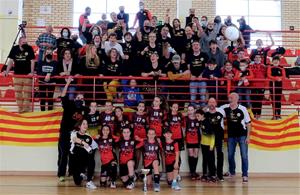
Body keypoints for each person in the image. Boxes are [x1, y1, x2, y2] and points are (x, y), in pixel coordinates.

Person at [57, 77, 89, 182]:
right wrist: (67, 83)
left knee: (73, 154)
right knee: (64, 154)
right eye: (78, 98)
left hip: (75, 135)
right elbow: (63, 95)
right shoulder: (69, 105)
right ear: (75, 98)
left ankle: (72, 172)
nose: (80, 100)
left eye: (81, 98)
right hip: (65, 133)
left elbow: (94, 109)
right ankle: (61, 174)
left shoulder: (83, 109)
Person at [220, 92, 251, 183]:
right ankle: (232, 172)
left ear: (237, 99)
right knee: (230, 155)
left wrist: (248, 137)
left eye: (232, 97)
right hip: (231, 136)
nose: (230, 98)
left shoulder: (243, 109)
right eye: (229, 97)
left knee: (244, 156)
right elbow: (215, 110)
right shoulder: (225, 108)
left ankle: (245, 175)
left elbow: (248, 124)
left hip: (242, 135)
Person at [2, 37, 35, 113]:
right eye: (24, 43)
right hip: (17, 75)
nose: (25, 44)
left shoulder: (29, 48)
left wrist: (32, 72)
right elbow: (10, 61)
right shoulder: (14, 48)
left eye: (26, 43)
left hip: (27, 76)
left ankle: (25, 111)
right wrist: (7, 71)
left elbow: (32, 61)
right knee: (18, 95)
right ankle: (20, 110)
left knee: (27, 95)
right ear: (19, 42)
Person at [70, 119, 97, 189]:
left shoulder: (88, 136)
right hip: (75, 159)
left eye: (86, 124)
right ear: (79, 126)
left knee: (91, 160)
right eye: (83, 124)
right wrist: (83, 143)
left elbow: (95, 146)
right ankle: (81, 174)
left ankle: (89, 181)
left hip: (84, 159)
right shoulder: (74, 133)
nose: (86, 125)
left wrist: (90, 152)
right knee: (77, 182)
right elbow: (74, 139)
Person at [206, 97, 225, 181]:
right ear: (208, 104)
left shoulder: (220, 113)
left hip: (219, 137)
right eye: (210, 102)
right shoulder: (205, 114)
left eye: (213, 102)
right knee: (210, 155)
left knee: (219, 155)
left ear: (216, 104)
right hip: (209, 138)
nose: (212, 104)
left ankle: (220, 174)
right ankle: (212, 174)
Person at [196, 109, 217, 183]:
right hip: (203, 144)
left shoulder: (208, 122)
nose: (197, 117)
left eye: (198, 116)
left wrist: (212, 145)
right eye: (196, 116)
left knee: (211, 160)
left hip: (209, 145)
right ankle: (205, 174)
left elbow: (213, 134)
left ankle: (213, 176)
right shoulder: (200, 122)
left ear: (202, 115)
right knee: (205, 160)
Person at [187, 40, 209, 107]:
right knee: (192, 97)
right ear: (192, 47)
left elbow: (206, 67)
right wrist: (191, 75)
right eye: (194, 45)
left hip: (202, 80)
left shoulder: (204, 55)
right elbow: (188, 68)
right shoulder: (189, 56)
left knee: (203, 97)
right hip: (193, 80)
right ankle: (193, 110)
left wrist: (201, 75)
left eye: (197, 45)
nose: (196, 46)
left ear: (200, 46)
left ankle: (203, 111)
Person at [184, 104, 201, 180]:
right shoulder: (186, 119)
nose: (190, 111)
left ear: (194, 110)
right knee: (191, 154)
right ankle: (192, 172)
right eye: (189, 110)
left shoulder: (198, 118)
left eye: (191, 110)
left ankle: (194, 171)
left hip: (197, 139)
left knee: (196, 154)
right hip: (189, 139)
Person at [131, 101, 148, 172]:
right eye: (140, 106)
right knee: (137, 156)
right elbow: (130, 126)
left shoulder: (146, 116)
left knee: (146, 156)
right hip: (136, 139)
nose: (141, 108)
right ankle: (135, 171)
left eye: (142, 106)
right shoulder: (133, 115)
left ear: (144, 108)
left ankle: (145, 173)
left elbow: (148, 127)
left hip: (144, 139)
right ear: (137, 107)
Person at [249, 54, 267, 119]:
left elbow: (265, 74)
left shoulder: (264, 66)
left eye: (259, 57)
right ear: (254, 59)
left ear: (261, 59)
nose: (257, 58)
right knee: (253, 101)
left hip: (261, 86)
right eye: (256, 57)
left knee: (259, 101)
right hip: (253, 86)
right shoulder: (251, 66)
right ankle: (254, 115)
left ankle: (258, 115)